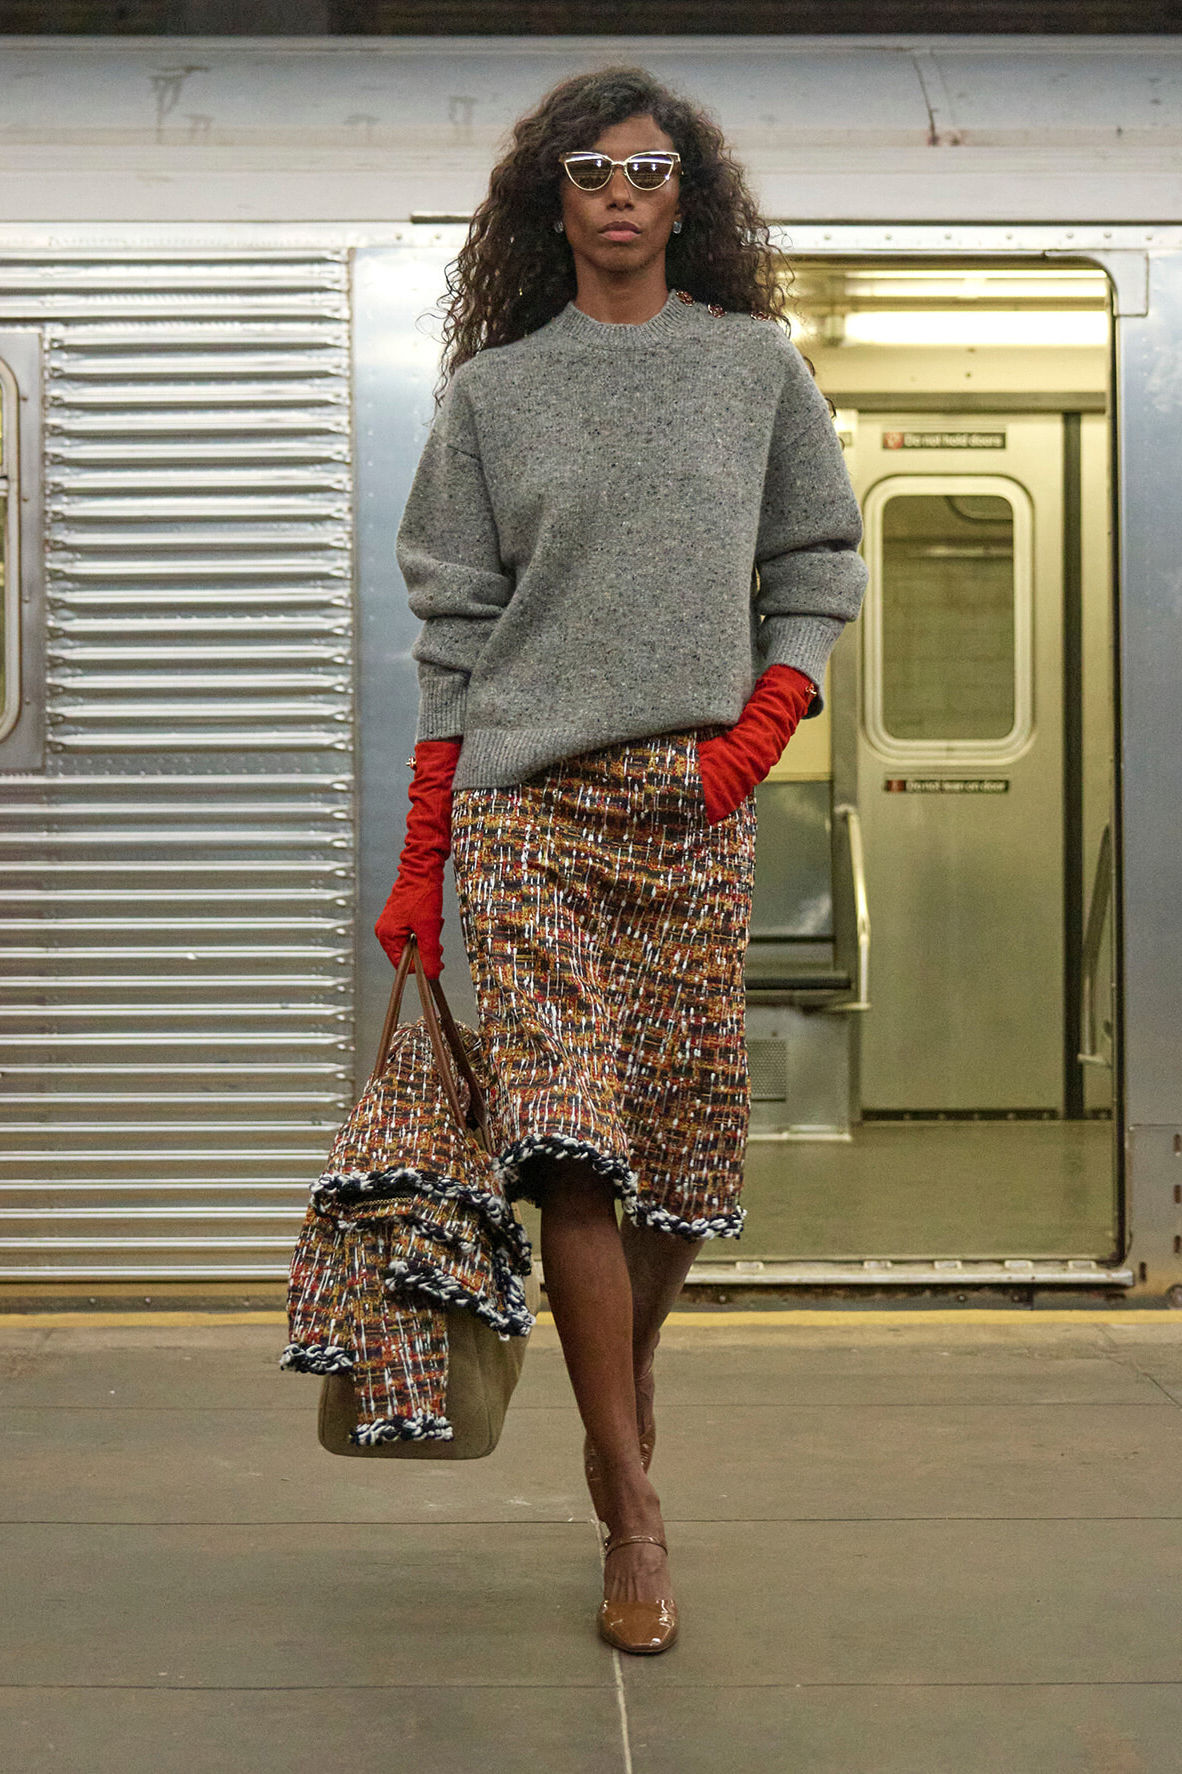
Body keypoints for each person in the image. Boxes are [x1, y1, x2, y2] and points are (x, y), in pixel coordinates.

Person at [376, 66, 867, 1655]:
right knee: (568, 1150)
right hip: (530, 813)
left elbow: (817, 560)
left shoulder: (753, 372)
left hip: (691, 809)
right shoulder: (494, 397)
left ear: (683, 198)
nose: (618, 192)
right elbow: (454, 632)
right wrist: (420, 854)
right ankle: (633, 1506)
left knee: (676, 1158)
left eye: (648, 170)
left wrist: (761, 727)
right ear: (556, 199)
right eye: (589, 168)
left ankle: (620, 1385)